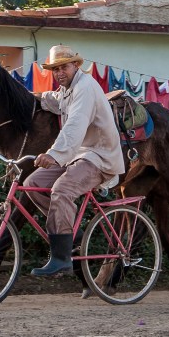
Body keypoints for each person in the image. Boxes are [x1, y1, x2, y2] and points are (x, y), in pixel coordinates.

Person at [25, 44, 125, 276]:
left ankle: (62, 259)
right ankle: (70, 231)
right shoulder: (68, 89)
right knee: (33, 184)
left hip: (100, 157)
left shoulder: (86, 87)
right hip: (79, 157)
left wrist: (54, 154)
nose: (59, 72)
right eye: (55, 68)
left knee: (62, 189)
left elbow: (75, 125)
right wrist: (26, 96)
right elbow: (53, 100)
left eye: (64, 67)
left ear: (76, 65)